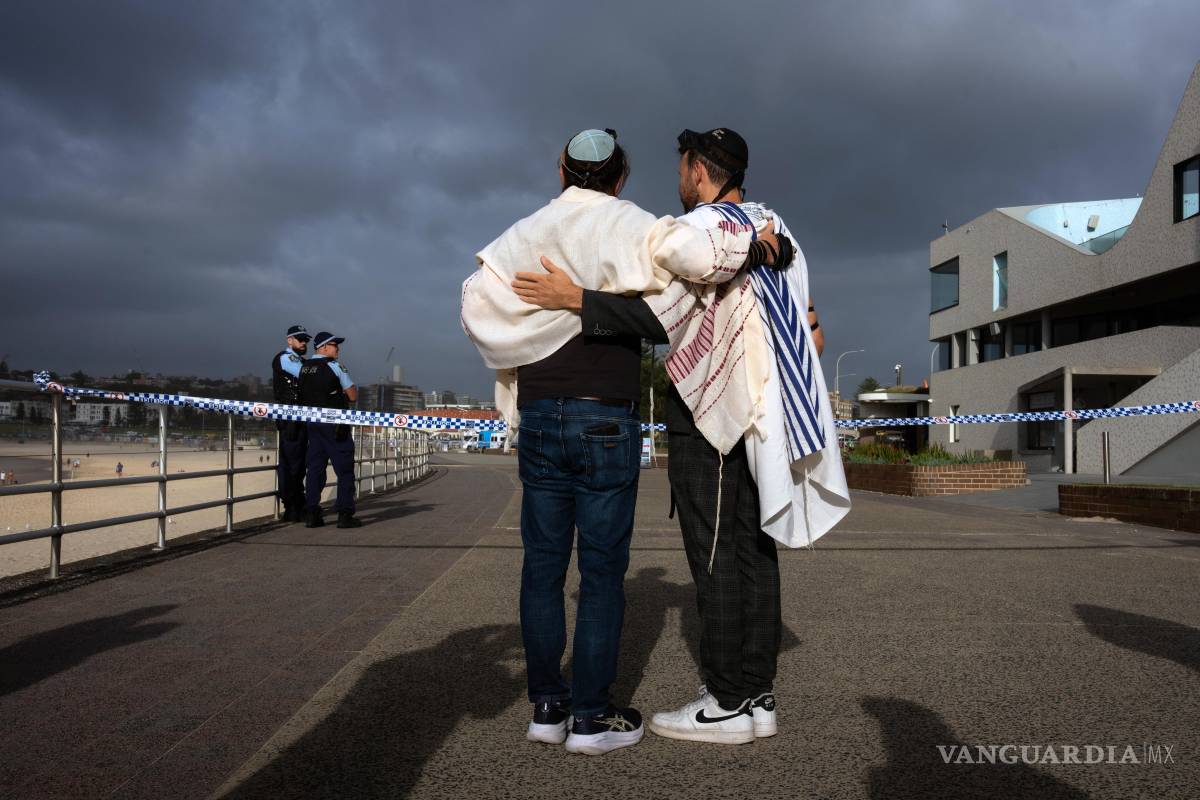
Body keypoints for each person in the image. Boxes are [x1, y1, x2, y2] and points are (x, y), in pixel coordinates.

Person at [511, 128, 850, 746]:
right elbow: (808, 318)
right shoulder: (778, 227)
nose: (678, 179)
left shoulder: (706, 229)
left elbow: (657, 314)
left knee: (713, 552)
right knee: (755, 550)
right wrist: (765, 255)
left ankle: (725, 702)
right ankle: (758, 696)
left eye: (681, 168)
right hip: (767, 409)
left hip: (712, 412)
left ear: (698, 171)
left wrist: (576, 297)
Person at [462, 128, 785, 756]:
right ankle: (590, 718)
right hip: (606, 415)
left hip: (540, 410)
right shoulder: (638, 226)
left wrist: (537, 325)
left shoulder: (522, 234)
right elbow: (693, 273)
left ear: (561, 170)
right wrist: (759, 247)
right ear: (621, 178)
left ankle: (546, 709)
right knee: (603, 573)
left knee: (542, 567)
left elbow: (476, 304)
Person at [298, 331, 361, 529]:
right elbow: (352, 395)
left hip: (313, 424)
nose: (338, 349)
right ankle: (345, 515)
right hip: (335, 426)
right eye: (335, 345)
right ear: (323, 347)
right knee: (345, 471)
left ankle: (312, 514)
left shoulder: (304, 368)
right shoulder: (334, 366)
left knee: (315, 469)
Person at [272, 324, 311, 522]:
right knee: (292, 463)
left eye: (306, 340)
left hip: (300, 418)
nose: (304, 343)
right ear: (290, 340)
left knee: (299, 463)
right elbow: (306, 377)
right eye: (300, 339)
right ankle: (292, 506)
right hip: (290, 419)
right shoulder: (286, 358)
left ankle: (296, 503)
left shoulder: (302, 361)